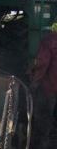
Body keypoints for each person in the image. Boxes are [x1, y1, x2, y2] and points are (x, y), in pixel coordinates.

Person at [30, 21, 57, 149]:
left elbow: (42, 64)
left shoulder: (49, 41)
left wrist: (34, 82)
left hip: (49, 86)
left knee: (42, 118)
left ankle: (39, 145)